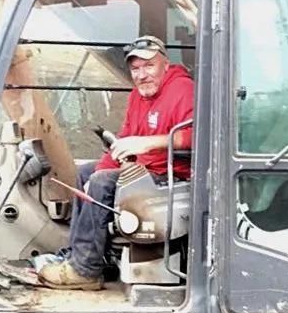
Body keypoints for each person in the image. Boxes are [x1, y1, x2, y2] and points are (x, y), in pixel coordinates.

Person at [38, 35, 194, 289]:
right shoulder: (137, 96)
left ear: (165, 65)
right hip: (144, 168)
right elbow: (123, 142)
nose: (142, 75)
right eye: (135, 69)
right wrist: (102, 169)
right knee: (88, 174)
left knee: (102, 182)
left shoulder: (183, 90)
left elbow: (194, 136)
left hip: (172, 173)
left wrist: (147, 143)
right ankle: (85, 256)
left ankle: (85, 270)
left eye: (149, 66)